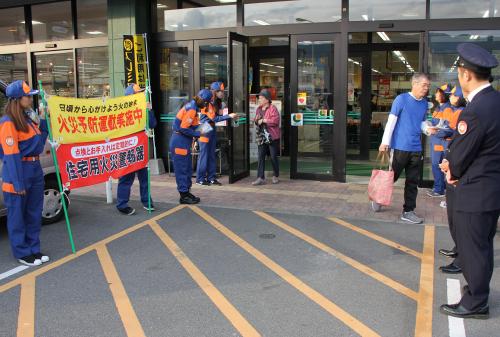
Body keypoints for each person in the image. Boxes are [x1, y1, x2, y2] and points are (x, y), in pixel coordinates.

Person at [439, 43, 500, 320]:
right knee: (482, 246)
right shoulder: (495, 101)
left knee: (473, 249)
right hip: (490, 189)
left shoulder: (475, 109)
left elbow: (461, 153)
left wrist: (450, 168)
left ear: (465, 74)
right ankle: (477, 291)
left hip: (474, 191)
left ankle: (476, 302)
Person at [0, 80, 49, 266]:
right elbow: (10, 156)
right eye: (28, 96)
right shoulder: (8, 123)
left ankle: (34, 248)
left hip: (34, 169)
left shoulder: (28, 119)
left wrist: (43, 120)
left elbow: (38, 142)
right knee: (17, 216)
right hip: (18, 171)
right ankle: (22, 251)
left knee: (34, 213)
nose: (30, 99)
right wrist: (17, 182)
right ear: (17, 99)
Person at [374, 73, 430, 224]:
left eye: (428, 85)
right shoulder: (401, 99)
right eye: (424, 85)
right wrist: (384, 142)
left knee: (413, 181)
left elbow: (422, 122)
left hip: (416, 148)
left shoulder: (424, 103)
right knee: (391, 177)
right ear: (415, 84)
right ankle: (378, 197)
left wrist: (428, 129)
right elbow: (391, 122)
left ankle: (408, 211)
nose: (426, 88)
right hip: (399, 147)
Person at [116, 84, 157, 215]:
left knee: (144, 176)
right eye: (137, 93)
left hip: (140, 148)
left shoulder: (143, 107)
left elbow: (152, 124)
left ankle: (146, 201)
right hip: (127, 149)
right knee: (126, 177)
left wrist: (149, 110)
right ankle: (122, 204)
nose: (141, 95)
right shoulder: (121, 111)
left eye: (141, 93)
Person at [170, 89, 212, 204]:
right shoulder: (192, 109)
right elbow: (183, 128)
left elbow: (190, 126)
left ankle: (186, 192)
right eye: (206, 103)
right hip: (179, 141)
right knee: (182, 170)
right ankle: (183, 195)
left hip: (183, 142)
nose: (206, 105)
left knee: (187, 169)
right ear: (203, 101)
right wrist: (199, 133)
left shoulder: (193, 107)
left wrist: (201, 128)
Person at [196, 82, 238, 186]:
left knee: (211, 154)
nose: (223, 93)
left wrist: (225, 112)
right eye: (221, 91)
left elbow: (216, 115)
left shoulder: (215, 101)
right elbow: (214, 118)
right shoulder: (207, 101)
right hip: (204, 128)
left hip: (211, 127)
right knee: (204, 155)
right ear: (215, 91)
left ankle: (211, 178)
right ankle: (200, 179)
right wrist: (229, 116)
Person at [437, 85, 466, 209]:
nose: (451, 96)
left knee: (452, 175)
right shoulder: (454, 109)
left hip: (455, 146)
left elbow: (449, 129)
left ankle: (452, 201)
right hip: (453, 145)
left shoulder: (459, 111)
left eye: (454, 95)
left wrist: (437, 132)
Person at [426, 84, 452, 198]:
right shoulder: (438, 107)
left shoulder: (447, 109)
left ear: (444, 95)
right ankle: (440, 188)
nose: (436, 94)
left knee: (439, 165)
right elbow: (434, 122)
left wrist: (434, 132)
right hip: (437, 141)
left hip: (442, 142)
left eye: (438, 92)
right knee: (437, 165)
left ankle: (439, 190)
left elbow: (448, 129)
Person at [252, 89, 280, 186]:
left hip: (272, 136)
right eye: (259, 98)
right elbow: (256, 120)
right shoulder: (258, 109)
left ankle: (275, 175)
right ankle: (260, 177)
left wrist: (263, 120)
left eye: (261, 98)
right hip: (262, 136)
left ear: (267, 99)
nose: (259, 100)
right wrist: (256, 121)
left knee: (273, 157)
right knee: (260, 157)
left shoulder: (273, 108)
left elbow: (275, 121)